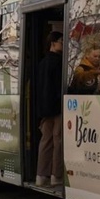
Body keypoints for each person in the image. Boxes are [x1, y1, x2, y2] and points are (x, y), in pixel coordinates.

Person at [35, 31, 64, 187]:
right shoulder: (59, 62)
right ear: (53, 43)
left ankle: (41, 175)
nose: (63, 43)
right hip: (57, 108)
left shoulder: (42, 63)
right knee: (58, 141)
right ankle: (56, 175)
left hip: (44, 109)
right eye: (61, 41)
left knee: (45, 142)